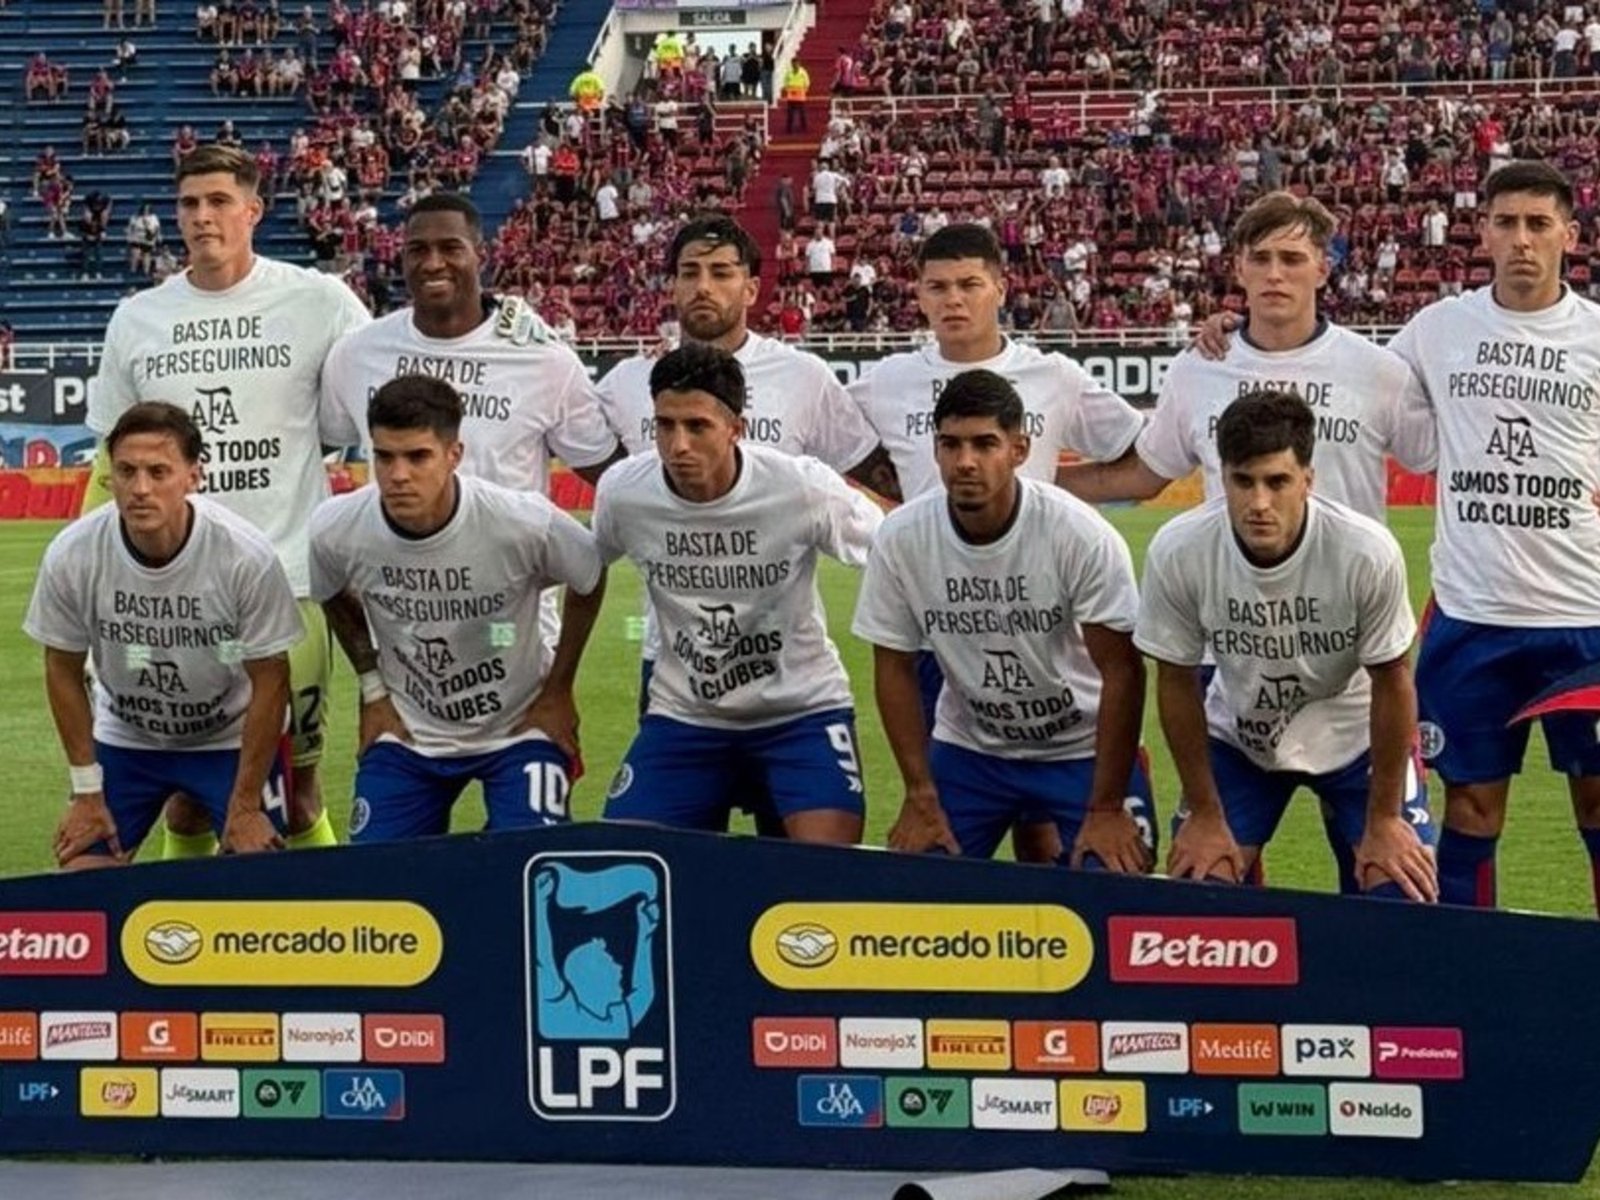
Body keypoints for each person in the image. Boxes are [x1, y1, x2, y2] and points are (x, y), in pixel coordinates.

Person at [1062, 190, 1436, 890]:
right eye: (1260, 258)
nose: (1275, 274)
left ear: (1324, 267)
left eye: (1292, 258)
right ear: (1236, 267)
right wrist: (1028, 480)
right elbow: (1144, 473)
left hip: (1345, 656)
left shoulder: (1378, 371)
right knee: (1208, 877)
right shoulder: (1200, 366)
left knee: (1398, 883)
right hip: (1232, 652)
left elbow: (1443, 450)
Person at [87, 142, 372, 858]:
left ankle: (322, 915)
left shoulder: (320, 302)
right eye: (189, 203)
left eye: (219, 201)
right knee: (185, 799)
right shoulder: (138, 317)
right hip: (173, 594)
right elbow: (108, 457)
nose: (202, 216)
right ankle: (180, 926)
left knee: (293, 792)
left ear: (254, 210)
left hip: (289, 583)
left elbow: (370, 422)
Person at [849, 221, 1144, 860]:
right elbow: (841, 443)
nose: (953, 300)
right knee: (954, 824)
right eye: (938, 287)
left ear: (1001, 289)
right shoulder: (887, 379)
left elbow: (1143, 460)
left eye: (969, 284)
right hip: (941, 611)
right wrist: (910, 505)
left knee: (1065, 848)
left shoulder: (1052, 375)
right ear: (918, 295)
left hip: (1041, 600)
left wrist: (1054, 492)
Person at [1385, 160, 1600, 911]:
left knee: (1599, 805)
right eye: (1506, 222)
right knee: (1472, 808)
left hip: (1584, 616)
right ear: (1483, 232)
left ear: (1570, 236)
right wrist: (1238, 334)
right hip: (1473, 615)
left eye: (1539, 224)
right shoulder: (1438, 328)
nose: (1521, 239)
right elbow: (1350, 379)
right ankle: (1467, 967)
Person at [1134, 389, 1437, 901]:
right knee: (1198, 892)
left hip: (1356, 741)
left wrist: (1385, 819)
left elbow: (1393, 680)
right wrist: (1204, 813)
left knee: (1400, 893)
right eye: (1243, 481)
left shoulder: (1364, 551)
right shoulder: (1180, 549)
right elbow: (1176, 680)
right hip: (1241, 741)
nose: (1259, 503)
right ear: (1221, 478)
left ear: (1307, 480)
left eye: (1277, 482)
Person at [594, 343, 882, 843]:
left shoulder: (801, 488)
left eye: (697, 426)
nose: (678, 445)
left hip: (801, 712)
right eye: (664, 425)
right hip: (685, 717)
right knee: (632, 862)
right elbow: (583, 568)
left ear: (735, 428)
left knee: (828, 872)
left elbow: (890, 552)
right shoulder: (624, 492)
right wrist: (556, 690)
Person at [320, 192, 623, 652]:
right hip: (404, 638)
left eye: (450, 247)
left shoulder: (543, 359)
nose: (433, 262)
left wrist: (589, 551)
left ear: (481, 254)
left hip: (515, 632)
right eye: (418, 249)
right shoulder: (357, 353)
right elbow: (320, 445)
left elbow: (612, 476)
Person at [309, 375, 606, 841]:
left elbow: (589, 575)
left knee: (529, 860)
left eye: (418, 457)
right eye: (384, 457)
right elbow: (331, 594)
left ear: (454, 455)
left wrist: (559, 689)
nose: (398, 475)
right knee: (375, 873)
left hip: (520, 727)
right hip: (409, 733)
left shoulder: (521, 521)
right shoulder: (337, 527)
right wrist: (372, 690)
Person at [23, 402, 303, 868]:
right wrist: (87, 792)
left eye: (158, 472)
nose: (140, 489)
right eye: (126, 471)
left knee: (257, 876)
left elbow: (271, 679)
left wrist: (245, 805)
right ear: (109, 477)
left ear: (194, 477)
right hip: (128, 738)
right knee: (81, 877)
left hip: (229, 739)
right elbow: (61, 668)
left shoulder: (244, 557)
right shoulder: (73, 553)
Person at [782, 59, 810, 132]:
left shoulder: (803, 72)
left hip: (800, 97)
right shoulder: (788, 72)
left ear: (799, 64)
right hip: (791, 96)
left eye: (796, 64)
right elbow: (785, 82)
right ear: (792, 64)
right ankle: (789, 129)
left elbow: (807, 83)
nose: (795, 65)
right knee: (790, 114)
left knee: (802, 113)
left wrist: (804, 90)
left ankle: (804, 128)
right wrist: (788, 89)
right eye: (793, 64)